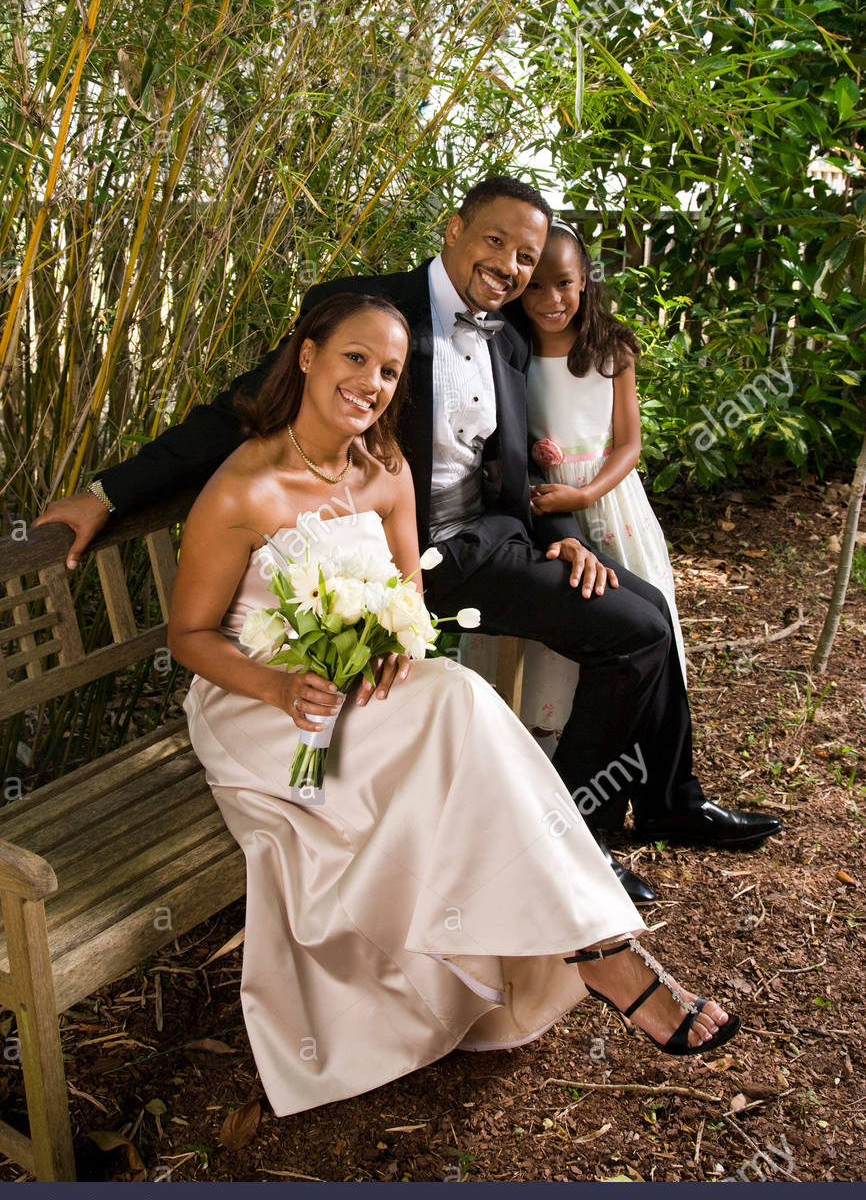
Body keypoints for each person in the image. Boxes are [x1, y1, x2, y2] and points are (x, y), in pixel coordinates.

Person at [36, 175, 782, 904]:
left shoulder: (511, 337)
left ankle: (668, 799)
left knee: (644, 613)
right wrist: (108, 493)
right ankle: (577, 837)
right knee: (633, 631)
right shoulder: (364, 309)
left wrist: (563, 534)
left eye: (526, 257)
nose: (513, 267)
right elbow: (237, 412)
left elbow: (517, 460)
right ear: (453, 229)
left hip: (486, 540)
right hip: (397, 563)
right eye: (496, 242)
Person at [165, 290, 739, 1117]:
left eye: (390, 370)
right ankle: (608, 954)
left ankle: (597, 945)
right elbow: (189, 637)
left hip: (368, 691)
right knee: (460, 704)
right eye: (354, 358)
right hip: (261, 706)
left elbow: (405, 596)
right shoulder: (243, 489)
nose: (371, 381)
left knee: (453, 703)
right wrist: (286, 686)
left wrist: (392, 640)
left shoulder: (386, 469)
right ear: (307, 356)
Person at [464, 220, 687, 741]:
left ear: (584, 277)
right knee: (560, 620)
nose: (549, 298)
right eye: (535, 285)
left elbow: (629, 444)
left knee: (632, 612)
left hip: (605, 498)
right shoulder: (506, 348)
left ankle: (631, 736)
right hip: (542, 506)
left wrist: (585, 492)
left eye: (563, 282)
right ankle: (551, 736)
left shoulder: (611, 347)